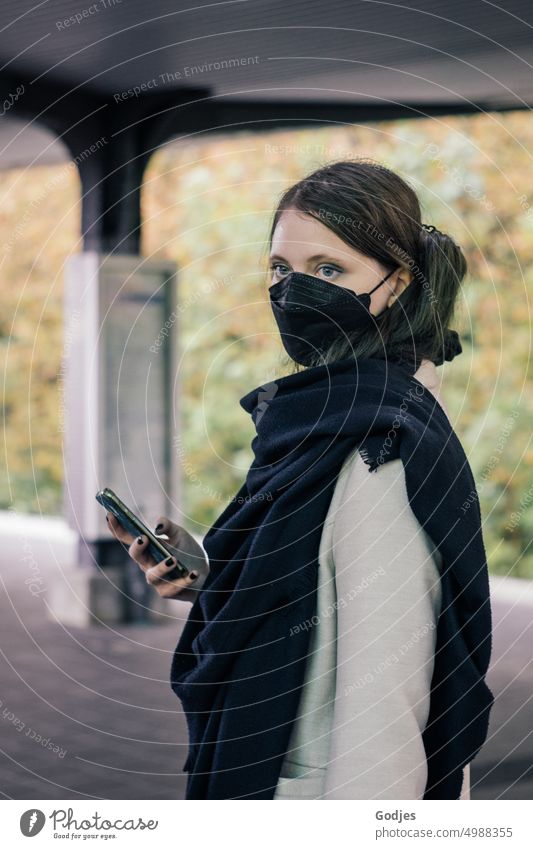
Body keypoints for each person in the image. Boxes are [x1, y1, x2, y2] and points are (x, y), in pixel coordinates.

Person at [106, 159, 493, 800]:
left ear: (397, 283)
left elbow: (384, 715)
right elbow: (318, 600)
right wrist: (213, 581)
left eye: (328, 269)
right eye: (282, 269)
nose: (293, 290)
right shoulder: (320, 419)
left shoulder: (382, 449)